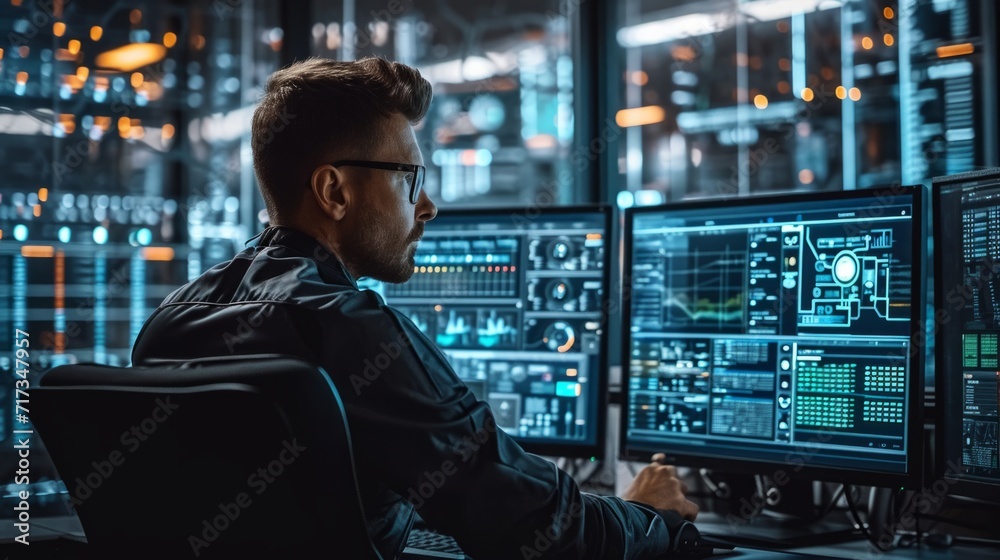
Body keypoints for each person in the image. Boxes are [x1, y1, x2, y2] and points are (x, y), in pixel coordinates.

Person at [131, 56, 698, 559]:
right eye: (410, 179)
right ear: (334, 192)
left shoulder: (170, 322)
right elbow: (538, 531)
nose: (427, 206)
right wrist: (652, 517)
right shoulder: (350, 330)